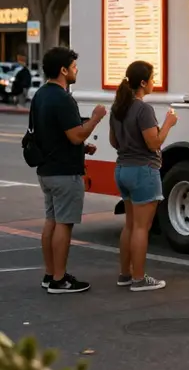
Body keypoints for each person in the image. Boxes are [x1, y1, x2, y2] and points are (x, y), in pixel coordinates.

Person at [32, 46, 106, 294]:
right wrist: (95, 118)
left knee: (51, 221)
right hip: (64, 173)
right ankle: (60, 280)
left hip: (46, 170)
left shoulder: (41, 95)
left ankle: (50, 273)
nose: (76, 71)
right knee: (64, 224)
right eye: (73, 67)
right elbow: (74, 135)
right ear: (63, 70)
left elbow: (51, 134)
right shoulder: (62, 98)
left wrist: (83, 148)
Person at [109, 60, 178, 292]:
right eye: (152, 78)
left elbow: (113, 141)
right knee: (141, 228)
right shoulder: (143, 109)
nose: (154, 82)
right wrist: (168, 124)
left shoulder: (118, 106)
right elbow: (154, 143)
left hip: (122, 169)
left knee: (129, 225)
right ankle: (139, 279)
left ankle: (125, 274)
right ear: (142, 82)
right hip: (143, 171)